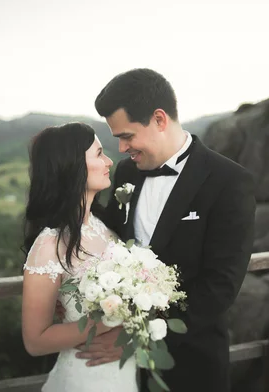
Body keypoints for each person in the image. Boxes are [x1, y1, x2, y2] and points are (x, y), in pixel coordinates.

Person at [74, 68, 256, 392]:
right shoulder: (127, 172)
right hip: (121, 371)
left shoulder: (229, 181)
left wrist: (134, 336)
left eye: (126, 136)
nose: (121, 148)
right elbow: (111, 239)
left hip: (192, 366)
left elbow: (220, 287)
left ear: (159, 119)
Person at [21, 122, 139, 391]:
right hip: (85, 377)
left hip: (122, 372)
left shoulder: (105, 228)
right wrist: (105, 322)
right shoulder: (49, 245)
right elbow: (35, 341)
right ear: (73, 167)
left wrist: (128, 330)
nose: (109, 161)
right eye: (99, 154)